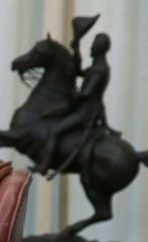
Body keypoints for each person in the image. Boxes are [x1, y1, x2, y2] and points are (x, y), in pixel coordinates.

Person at [35, 32, 117, 177]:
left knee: (54, 132)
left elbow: (86, 93)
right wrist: (77, 47)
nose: (91, 48)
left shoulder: (99, 69)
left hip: (86, 112)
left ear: (98, 48)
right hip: (85, 108)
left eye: (93, 45)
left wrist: (71, 96)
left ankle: (44, 165)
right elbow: (78, 72)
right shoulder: (97, 66)